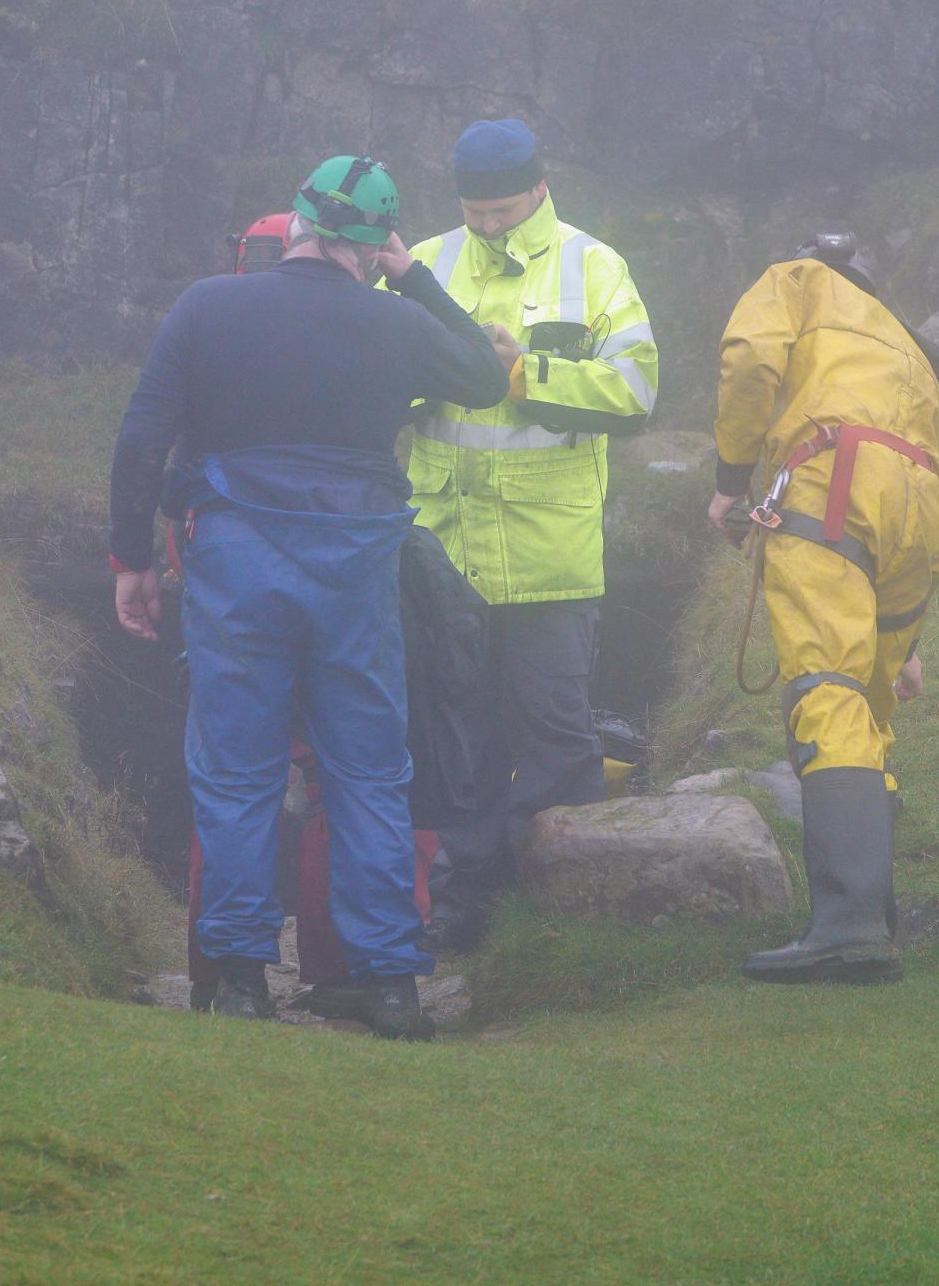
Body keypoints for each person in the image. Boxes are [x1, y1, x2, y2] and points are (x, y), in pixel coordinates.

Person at [108, 156, 510, 1036]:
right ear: (374, 244)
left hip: (236, 569)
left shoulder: (209, 306)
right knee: (367, 770)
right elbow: (484, 373)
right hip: (354, 577)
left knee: (239, 769)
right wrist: (414, 277)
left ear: (294, 222)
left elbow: (143, 438)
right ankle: (393, 984)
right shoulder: (393, 322)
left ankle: (242, 977)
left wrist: (130, 559)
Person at [401, 119, 660, 952]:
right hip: (447, 557)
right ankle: (463, 913)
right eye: (474, 212)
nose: (487, 226)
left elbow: (634, 393)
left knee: (557, 734)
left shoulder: (594, 265)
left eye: (503, 209)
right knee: (459, 742)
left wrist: (520, 372)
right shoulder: (425, 266)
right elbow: (367, 366)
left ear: (540, 189)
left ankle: (566, 915)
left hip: (551, 559)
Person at [706, 235, 939, 985]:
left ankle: (846, 924)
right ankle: (877, 909)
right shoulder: (901, 339)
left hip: (832, 480)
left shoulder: (797, 280)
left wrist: (730, 478)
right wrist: (906, 643)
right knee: (869, 700)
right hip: (920, 503)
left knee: (827, 690)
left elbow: (751, 358)